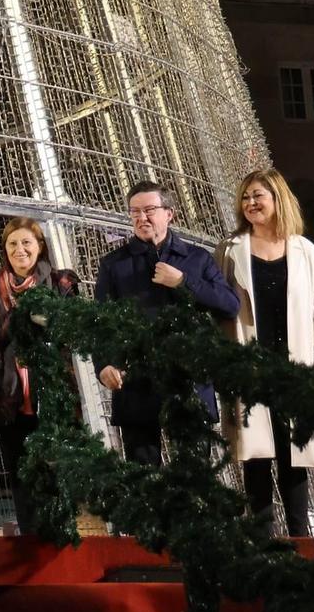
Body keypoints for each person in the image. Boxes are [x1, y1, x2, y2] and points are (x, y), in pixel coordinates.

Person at [217, 169, 314, 537]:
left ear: (277, 198)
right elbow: (220, 310)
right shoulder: (230, 249)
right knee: (255, 455)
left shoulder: (305, 250)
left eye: (258, 196)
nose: (251, 203)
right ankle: (261, 540)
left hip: (294, 367)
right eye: (246, 197)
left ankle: (299, 539)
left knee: (293, 454)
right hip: (250, 366)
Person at [93, 181, 240, 466]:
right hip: (135, 382)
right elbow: (101, 322)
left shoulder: (197, 259)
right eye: (134, 212)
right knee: (144, 483)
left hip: (189, 383)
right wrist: (104, 365)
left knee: (194, 478)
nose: (141, 218)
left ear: (169, 214)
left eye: (149, 210)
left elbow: (229, 305)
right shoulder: (114, 264)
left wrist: (183, 282)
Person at [0, 216, 75, 536]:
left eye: (26, 242)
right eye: (12, 243)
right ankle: (31, 542)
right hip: (8, 397)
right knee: (21, 474)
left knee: (56, 471)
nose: (19, 249)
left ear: (39, 247)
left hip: (51, 393)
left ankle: (62, 540)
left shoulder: (60, 284)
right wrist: (17, 315)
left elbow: (69, 332)